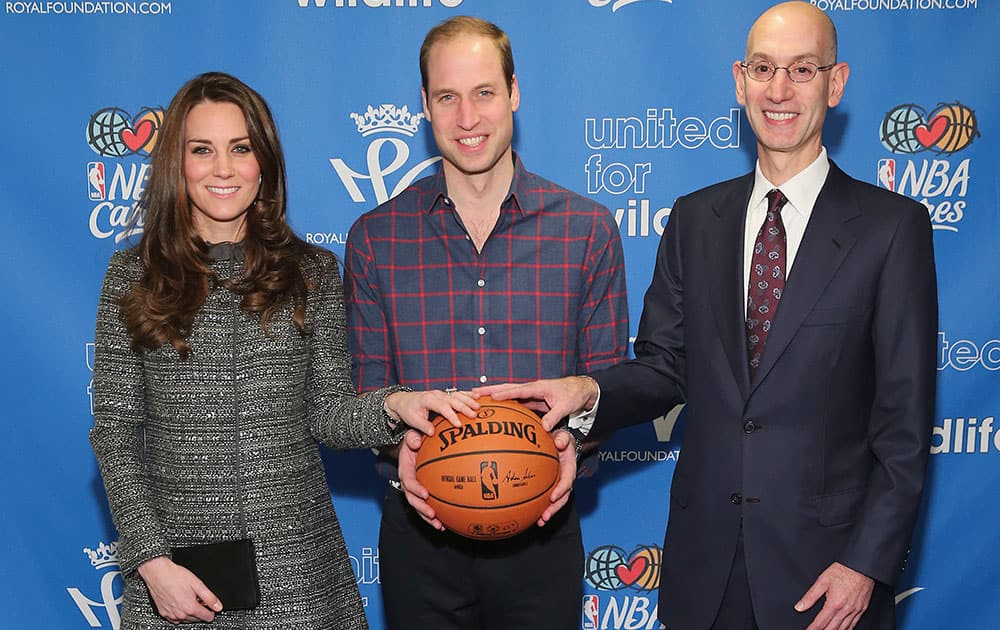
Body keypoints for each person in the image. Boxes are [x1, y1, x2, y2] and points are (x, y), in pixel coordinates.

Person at [479, 3, 938, 629]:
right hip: (705, 576)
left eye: (802, 69)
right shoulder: (695, 219)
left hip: (829, 580)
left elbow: (905, 430)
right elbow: (665, 367)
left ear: (836, 83)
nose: (778, 90)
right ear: (738, 80)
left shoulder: (891, 230)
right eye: (763, 68)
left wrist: (865, 564)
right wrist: (589, 391)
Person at [89, 71, 475, 630]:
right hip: (180, 578)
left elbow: (331, 415)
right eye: (203, 150)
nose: (223, 168)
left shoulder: (311, 272)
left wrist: (395, 406)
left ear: (263, 161)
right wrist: (150, 561)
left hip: (298, 572)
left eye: (240, 149)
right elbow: (115, 432)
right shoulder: (133, 276)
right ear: (177, 162)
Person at [343, 16, 629, 630]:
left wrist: (573, 442)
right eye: (447, 96)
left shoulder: (586, 231)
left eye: (484, 93)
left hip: (542, 530)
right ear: (424, 106)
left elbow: (608, 387)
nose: (467, 117)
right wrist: (404, 443)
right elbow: (367, 396)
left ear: (514, 93)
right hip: (422, 535)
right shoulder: (374, 239)